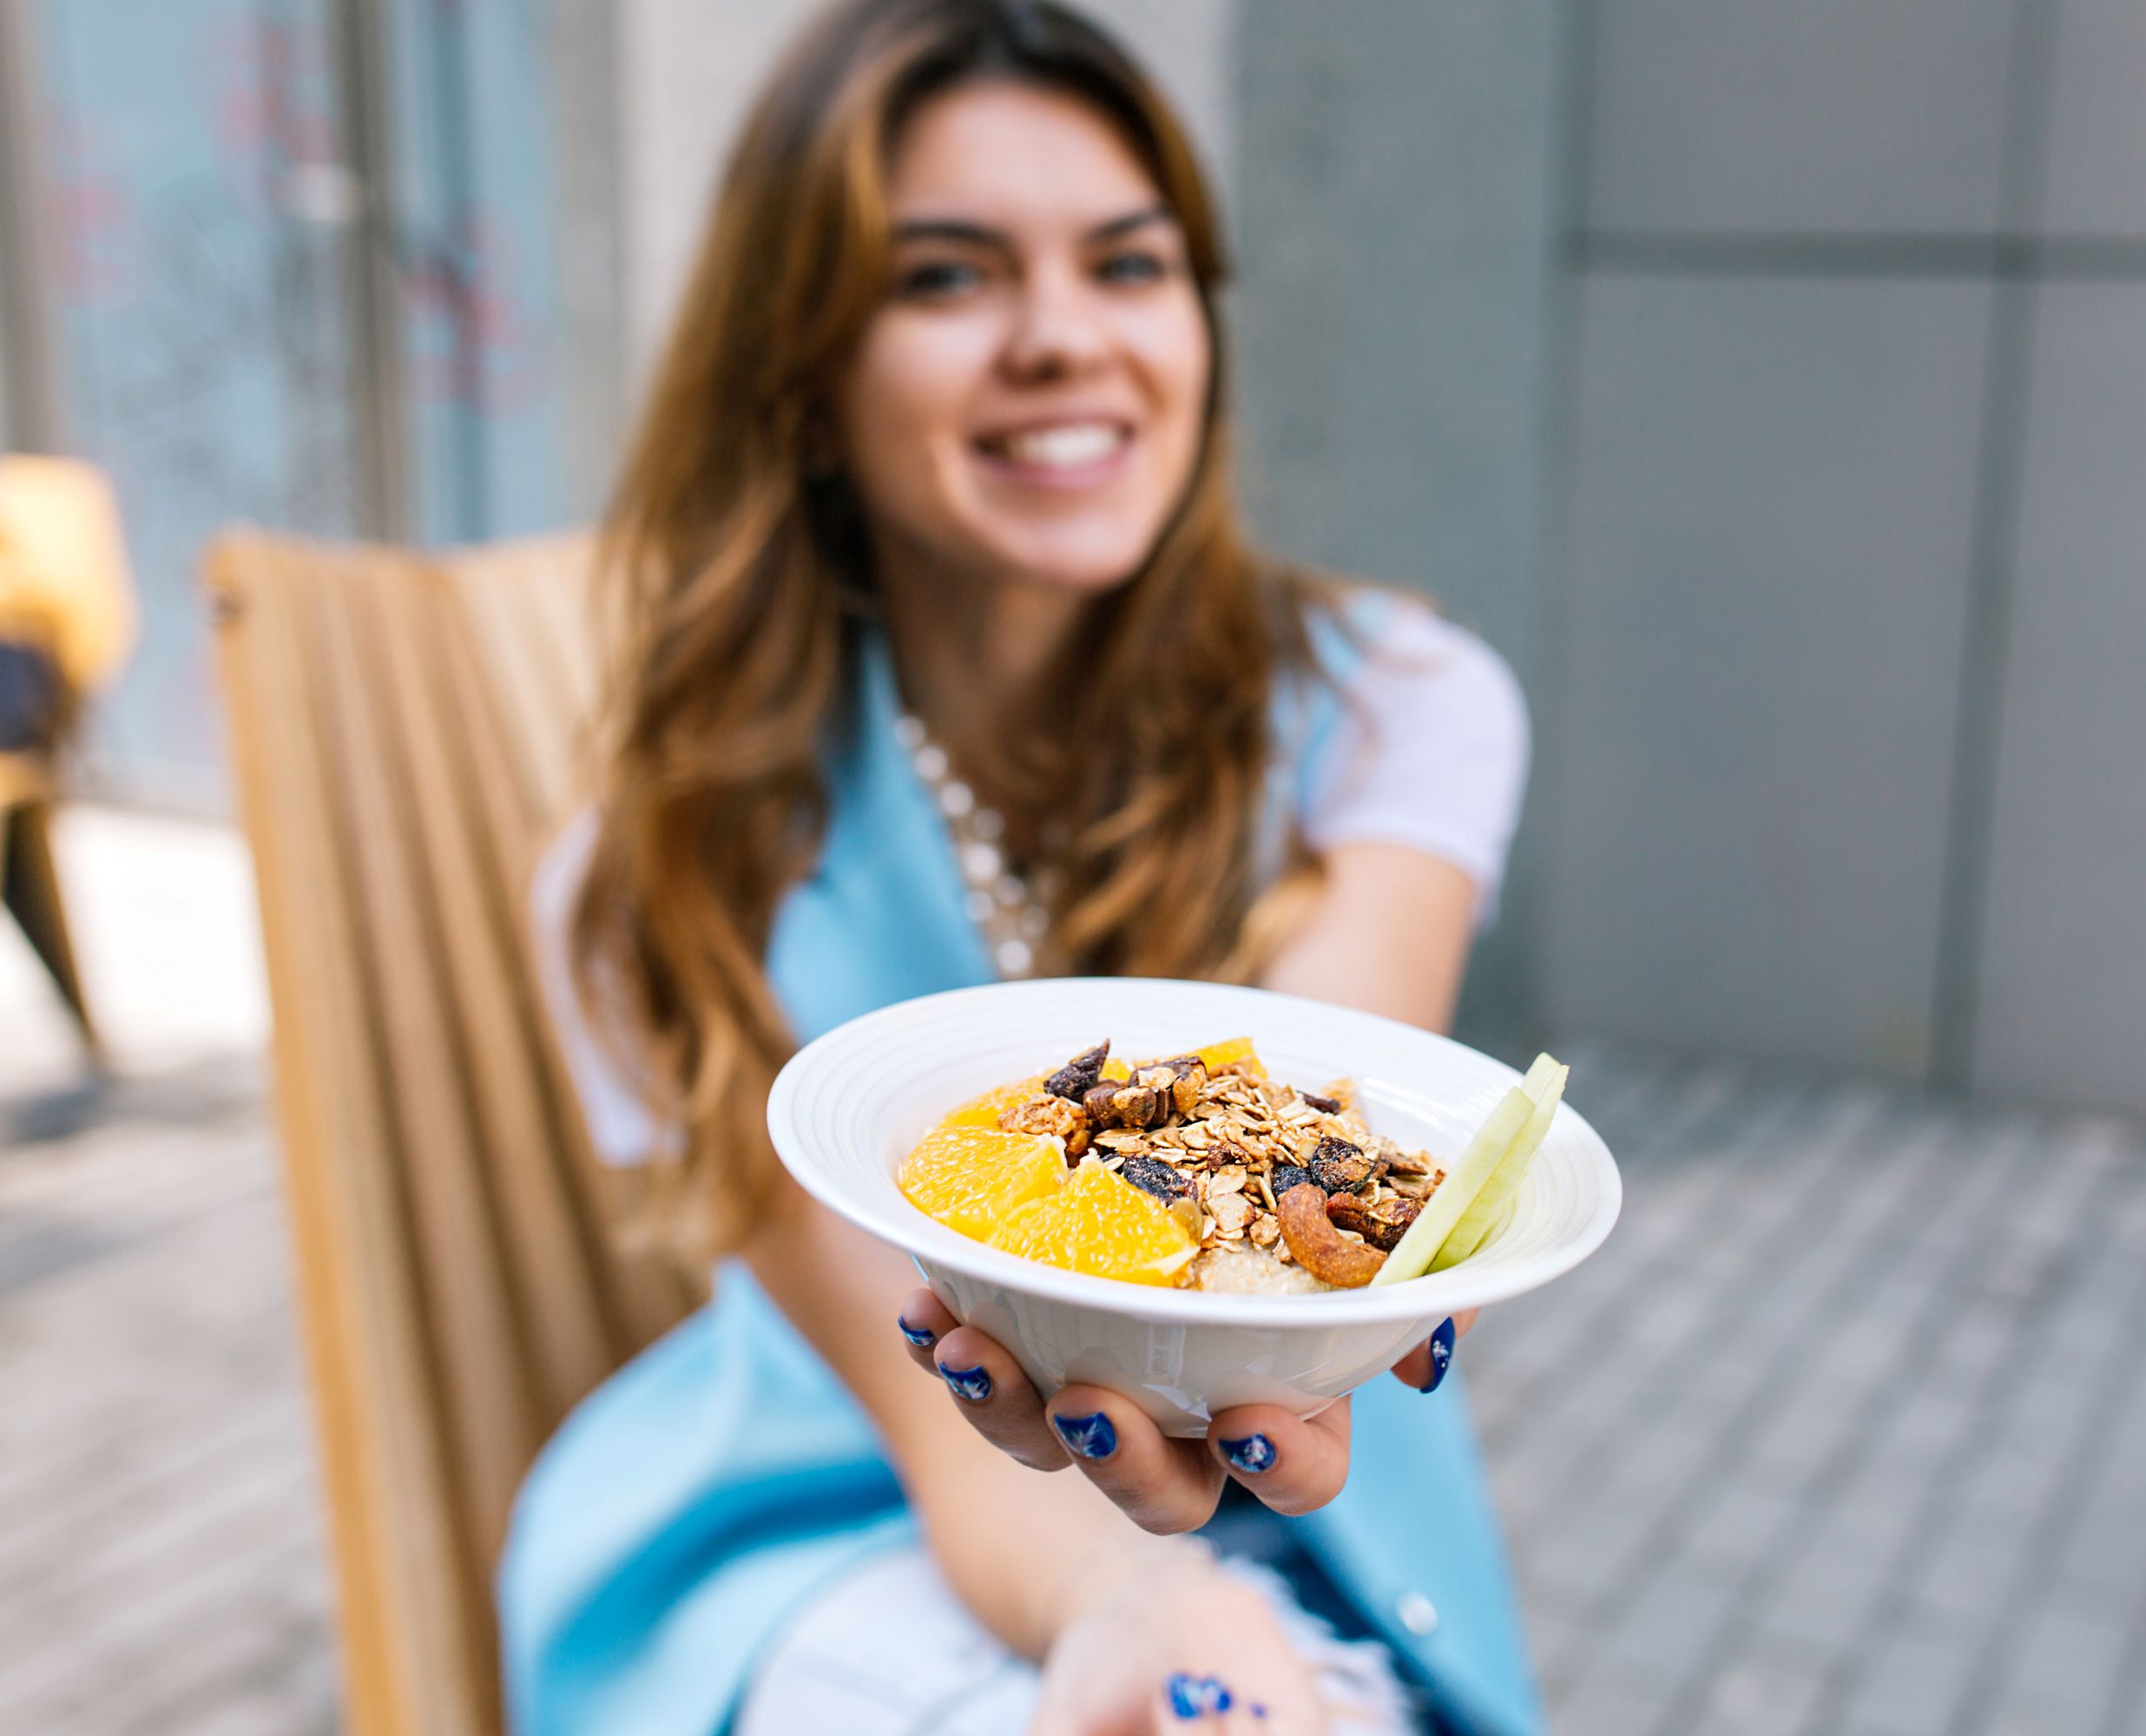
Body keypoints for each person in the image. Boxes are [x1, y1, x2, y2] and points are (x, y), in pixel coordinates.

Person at [497, 3, 1536, 1731]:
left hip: (1311, 1515)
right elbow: (936, 1428)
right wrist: (1138, 1607)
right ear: (805, 380)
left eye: (1130, 267)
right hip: (818, 1518)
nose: (1066, 338)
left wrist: (1245, 1481)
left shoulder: (1396, 715)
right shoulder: (644, 882)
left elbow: (1298, 1174)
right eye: (946, 279)